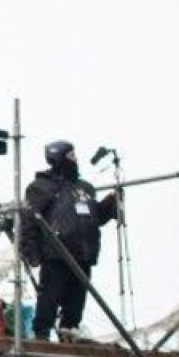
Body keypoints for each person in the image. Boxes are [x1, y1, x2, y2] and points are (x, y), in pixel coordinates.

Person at [20, 140, 120, 343]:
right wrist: (31, 251)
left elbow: (93, 217)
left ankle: (69, 332)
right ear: (59, 158)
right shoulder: (41, 187)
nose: (75, 160)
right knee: (49, 297)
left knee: (76, 301)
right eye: (70, 156)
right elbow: (29, 221)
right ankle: (42, 335)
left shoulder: (84, 188)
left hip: (83, 253)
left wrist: (109, 206)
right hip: (56, 253)